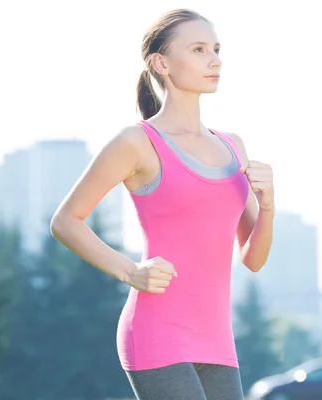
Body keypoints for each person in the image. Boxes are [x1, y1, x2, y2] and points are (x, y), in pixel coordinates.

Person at [50, 8, 275, 400]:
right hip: (156, 331)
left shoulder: (231, 145)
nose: (215, 60)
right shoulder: (136, 143)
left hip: (217, 336)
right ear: (161, 63)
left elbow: (253, 258)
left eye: (217, 49)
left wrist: (268, 205)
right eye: (199, 49)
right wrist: (130, 272)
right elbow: (66, 220)